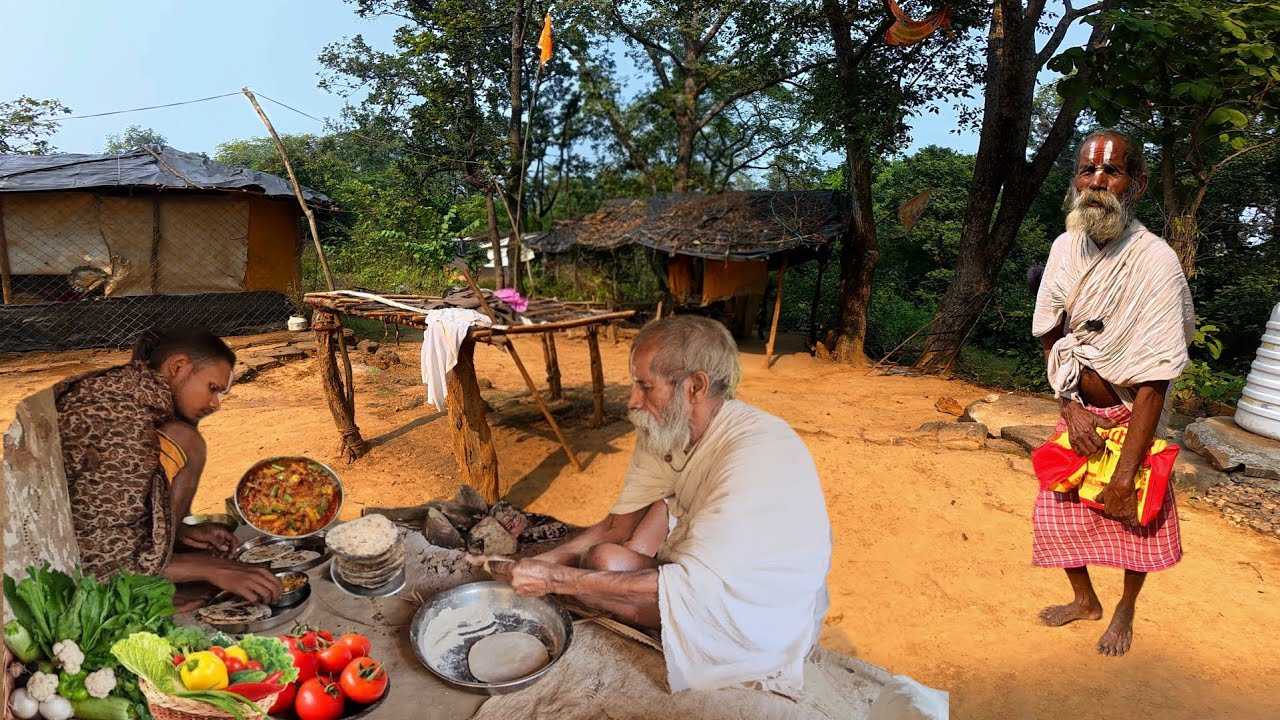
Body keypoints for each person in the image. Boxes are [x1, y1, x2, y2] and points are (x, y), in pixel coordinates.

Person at [475, 315, 832, 695]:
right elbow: (616, 527)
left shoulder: (759, 450)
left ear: (695, 386)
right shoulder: (666, 427)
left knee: (590, 584)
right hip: (703, 576)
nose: (633, 401)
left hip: (759, 609)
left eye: (645, 386)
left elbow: (698, 587)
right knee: (602, 562)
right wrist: (541, 563)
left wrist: (554, 580)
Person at [1030, 129, 1194, 657]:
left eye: (1112, 171)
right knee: (1054, 511)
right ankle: (1085, 600)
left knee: (1133, 522)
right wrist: (1069, 405)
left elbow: (1157, 376)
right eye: (1087, 170)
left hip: (1133, 416)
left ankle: (1124, 608)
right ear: (1075, 179)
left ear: (1136, 184)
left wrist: (1126, 473)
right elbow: (1050, 331)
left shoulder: (1156, 262)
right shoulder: (1063, 247)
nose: (1096, 182)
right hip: (1079, 413)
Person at [56, 327, 282, 605]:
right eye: (212, 389)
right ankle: (160, 575)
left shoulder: (133, 390)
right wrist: (208, 568)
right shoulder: (121, 422)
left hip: (95, 529)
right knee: (185, 440)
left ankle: (166, 550)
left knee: (185, 439)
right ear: (178, 367)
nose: (215, 405)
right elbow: (101, 563)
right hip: (74, 561)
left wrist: (180, 532)